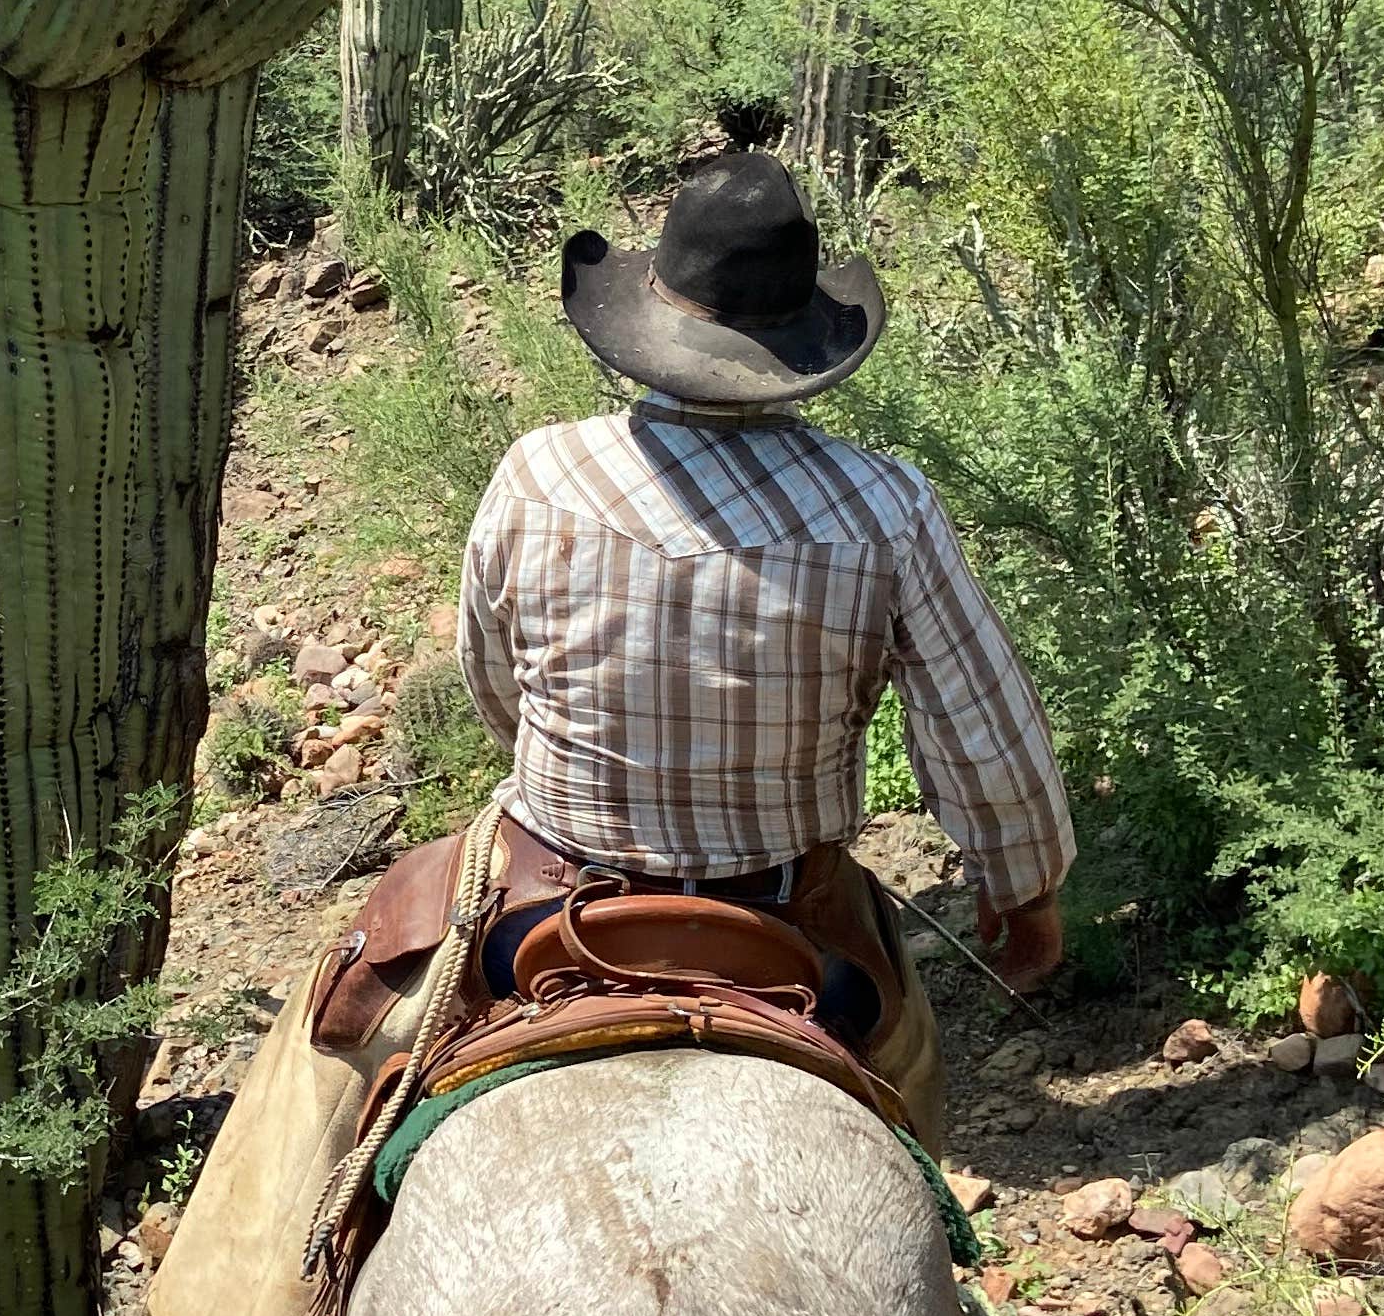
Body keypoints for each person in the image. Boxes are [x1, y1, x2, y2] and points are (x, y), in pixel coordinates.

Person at [453, 150, 1071, 1150]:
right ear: (800, 338)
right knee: (908, 1079)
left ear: (649, 315)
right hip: (784, 916)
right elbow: (980, 730)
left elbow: (493, 683)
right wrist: (1023, 884)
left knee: (362, 1015)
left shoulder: (538, 475)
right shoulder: (884, 506)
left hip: (555, 894)